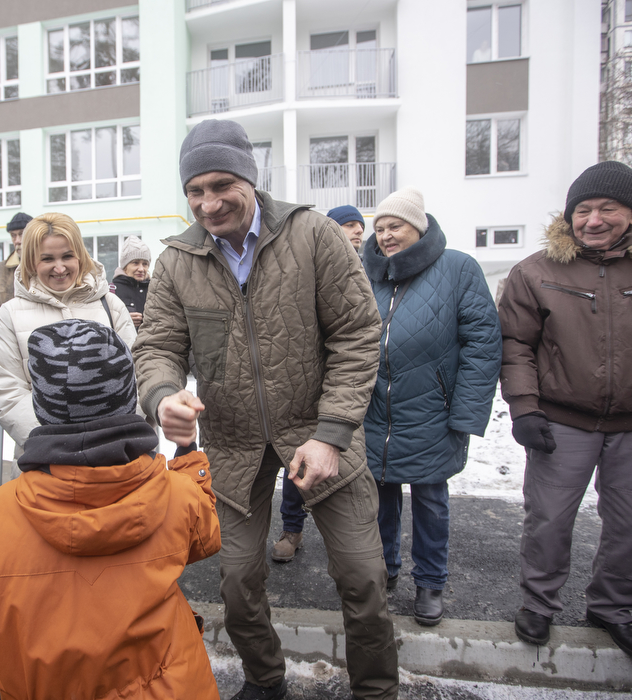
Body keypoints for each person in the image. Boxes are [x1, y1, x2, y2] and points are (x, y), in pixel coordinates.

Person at [133, 118, 397, 700]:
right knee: (236, 581)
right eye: (195, 191)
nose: (209, 202)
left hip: (322, 432)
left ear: (252, 179)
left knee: (363, 577)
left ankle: (377, 691)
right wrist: (161, 396)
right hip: (232, 443)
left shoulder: (312, 235)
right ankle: (265, 681)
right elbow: (156, 347)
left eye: (222, 184)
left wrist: (332, 433)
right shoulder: (178, 260)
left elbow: (357, 334)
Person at [498, 161, 632, 662]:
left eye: (607, 209)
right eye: (583, 210)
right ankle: (539, 603)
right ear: (569, 216)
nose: (593, 220)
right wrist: (525, 409)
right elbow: (515, 346)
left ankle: (614, 608)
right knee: (548, 518)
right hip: (561, 420)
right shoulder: (536, 271)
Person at [0, 319, 221, 699]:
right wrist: (188, 454)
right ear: (127, 399)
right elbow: (205, 537)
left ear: (42, 407)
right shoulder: (176, 493)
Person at [360, 188, 501, 626]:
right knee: (378, 498)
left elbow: (483, 344)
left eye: (395, 226)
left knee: (431, 502)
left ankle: (430, 582)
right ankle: (384, 572)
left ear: (418, 226)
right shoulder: (365, 273)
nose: (385, 236)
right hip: (372, 412)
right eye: (379, 228)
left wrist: (465, 413)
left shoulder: (458, 268)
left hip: (431, 410)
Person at [0, 213, 136, 458]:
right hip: (44, 460)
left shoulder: (112, 305)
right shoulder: (10, 314)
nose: (60, 268)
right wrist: (58, 448)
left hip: (114, 457)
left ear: (80, 254)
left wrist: (115, 439)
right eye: (47, 259)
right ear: (32, 262)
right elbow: (8, 391)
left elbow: (137, 374)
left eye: (67, 256)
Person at [273, 204, 367, 564]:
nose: (356, 231)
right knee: (296, 469)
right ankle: (291, 530)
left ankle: (347, 544)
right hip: (306, 393)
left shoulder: (372, 268)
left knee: (347, 475)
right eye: (347, 225)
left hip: (352, 388)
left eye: (359, 225)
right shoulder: (309, 265)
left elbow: (359, 332)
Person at [0, 211, 33, 330]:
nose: (17, 241)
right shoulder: (0, 270)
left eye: (22, 234)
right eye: (13, 235)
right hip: (9, 339)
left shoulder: (45, 266)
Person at [109, 235, 151, 329]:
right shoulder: (111, 291)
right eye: (135, 263)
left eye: (145, 264)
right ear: (125, 266)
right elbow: (102, 323)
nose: (141, 269)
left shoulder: (156, 290)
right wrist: (122, 320)